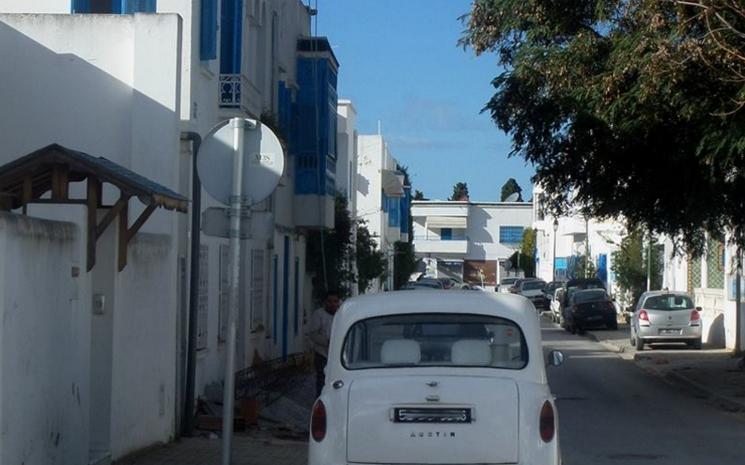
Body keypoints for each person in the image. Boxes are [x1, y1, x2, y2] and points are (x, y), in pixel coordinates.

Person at [308, 290, 341, 397]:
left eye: (335, 301)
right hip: (322, 354)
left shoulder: (342, 314)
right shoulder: (319, 314)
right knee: (322, 381)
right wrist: (327, 341)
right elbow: (313, 334)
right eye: (330, 301)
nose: (333, 304)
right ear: (325, 302)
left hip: (339, 355)